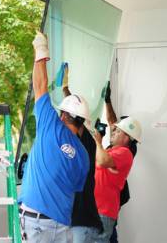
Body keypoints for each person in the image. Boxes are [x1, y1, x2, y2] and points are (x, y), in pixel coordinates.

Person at [18, 32, 90, 242]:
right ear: (82, 122)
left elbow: (40, 86)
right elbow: (75, 187)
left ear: (63, 115)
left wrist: (41, 51)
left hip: (36, 223)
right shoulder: (84, 156)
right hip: (62, 226)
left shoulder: (51, 127)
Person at [59, 64, 104, 243]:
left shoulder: (84, 142)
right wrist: (65, 89)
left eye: (63, 115)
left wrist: (66, 91)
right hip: (81, 221)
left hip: (82, 222)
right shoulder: (80, 139)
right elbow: (75, 114)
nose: (61, 120)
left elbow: (75, 115)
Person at [91, 104, 142, 242]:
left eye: (118, 131)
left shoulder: (125, 153)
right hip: (96, 209)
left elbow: (101, 161)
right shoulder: (111, 150)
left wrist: (98, 142)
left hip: (104, 212)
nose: (113, 132)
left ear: (127, 138)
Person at [103, 82, 137, 243]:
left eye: (119, 130)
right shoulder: (117, 143)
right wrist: (107, 100)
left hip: (112, 198)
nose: (114, 130)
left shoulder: (128, 150)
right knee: (110, 233)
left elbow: (111, 122)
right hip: (106, 200)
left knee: (109, 231)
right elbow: (112, 122)